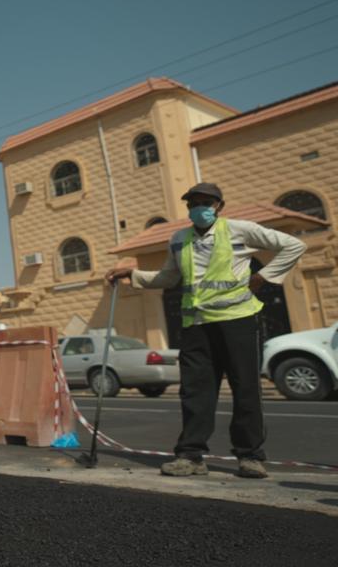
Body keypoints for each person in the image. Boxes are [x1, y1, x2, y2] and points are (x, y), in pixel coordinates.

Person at [105, 182, 305, 479]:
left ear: (219, 206)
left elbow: (294, 245)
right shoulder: (178, 240)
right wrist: (132, 274)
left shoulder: (240, 230)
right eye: (194, 203)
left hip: (237, 320)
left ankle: (250, 456)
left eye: (206, 202)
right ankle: (191, 456)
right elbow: (168, 277)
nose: (199, 207)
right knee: (196, 392)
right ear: (188, 208)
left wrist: (264, 277)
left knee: (245, 388)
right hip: (196, 325)